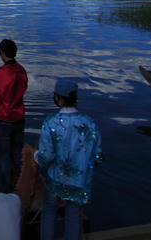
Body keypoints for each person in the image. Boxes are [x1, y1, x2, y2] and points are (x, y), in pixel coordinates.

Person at [35, 79, 103, 240]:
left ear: (57, 97)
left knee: (49, 212)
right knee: (73, 216)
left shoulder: (50, 122)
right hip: (79, 180)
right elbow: (98, 156)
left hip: (55, 179)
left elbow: (46, 157)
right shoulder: (90, 123)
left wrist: (35, 155)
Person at [0, 38, 28, 193]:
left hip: (4, 118)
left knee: (3, 156)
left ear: (2, 54)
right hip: (19, 117)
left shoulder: (2, 73)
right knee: (17, 152)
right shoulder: (21, 70)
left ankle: (5, 190)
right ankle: (21, 183)